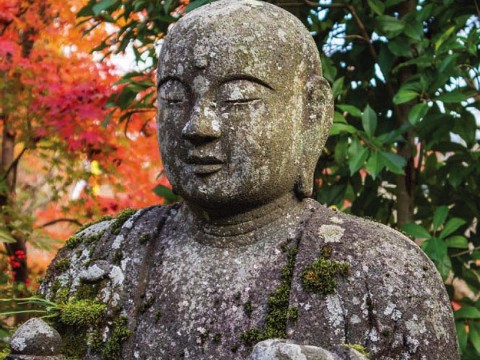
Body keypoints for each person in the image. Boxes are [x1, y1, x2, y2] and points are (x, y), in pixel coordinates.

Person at [27, 1, 458, 359]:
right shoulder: (95, 261)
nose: (198, 125)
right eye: (175, 96)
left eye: (237, 96)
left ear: (311, 115)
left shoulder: (382, 272)